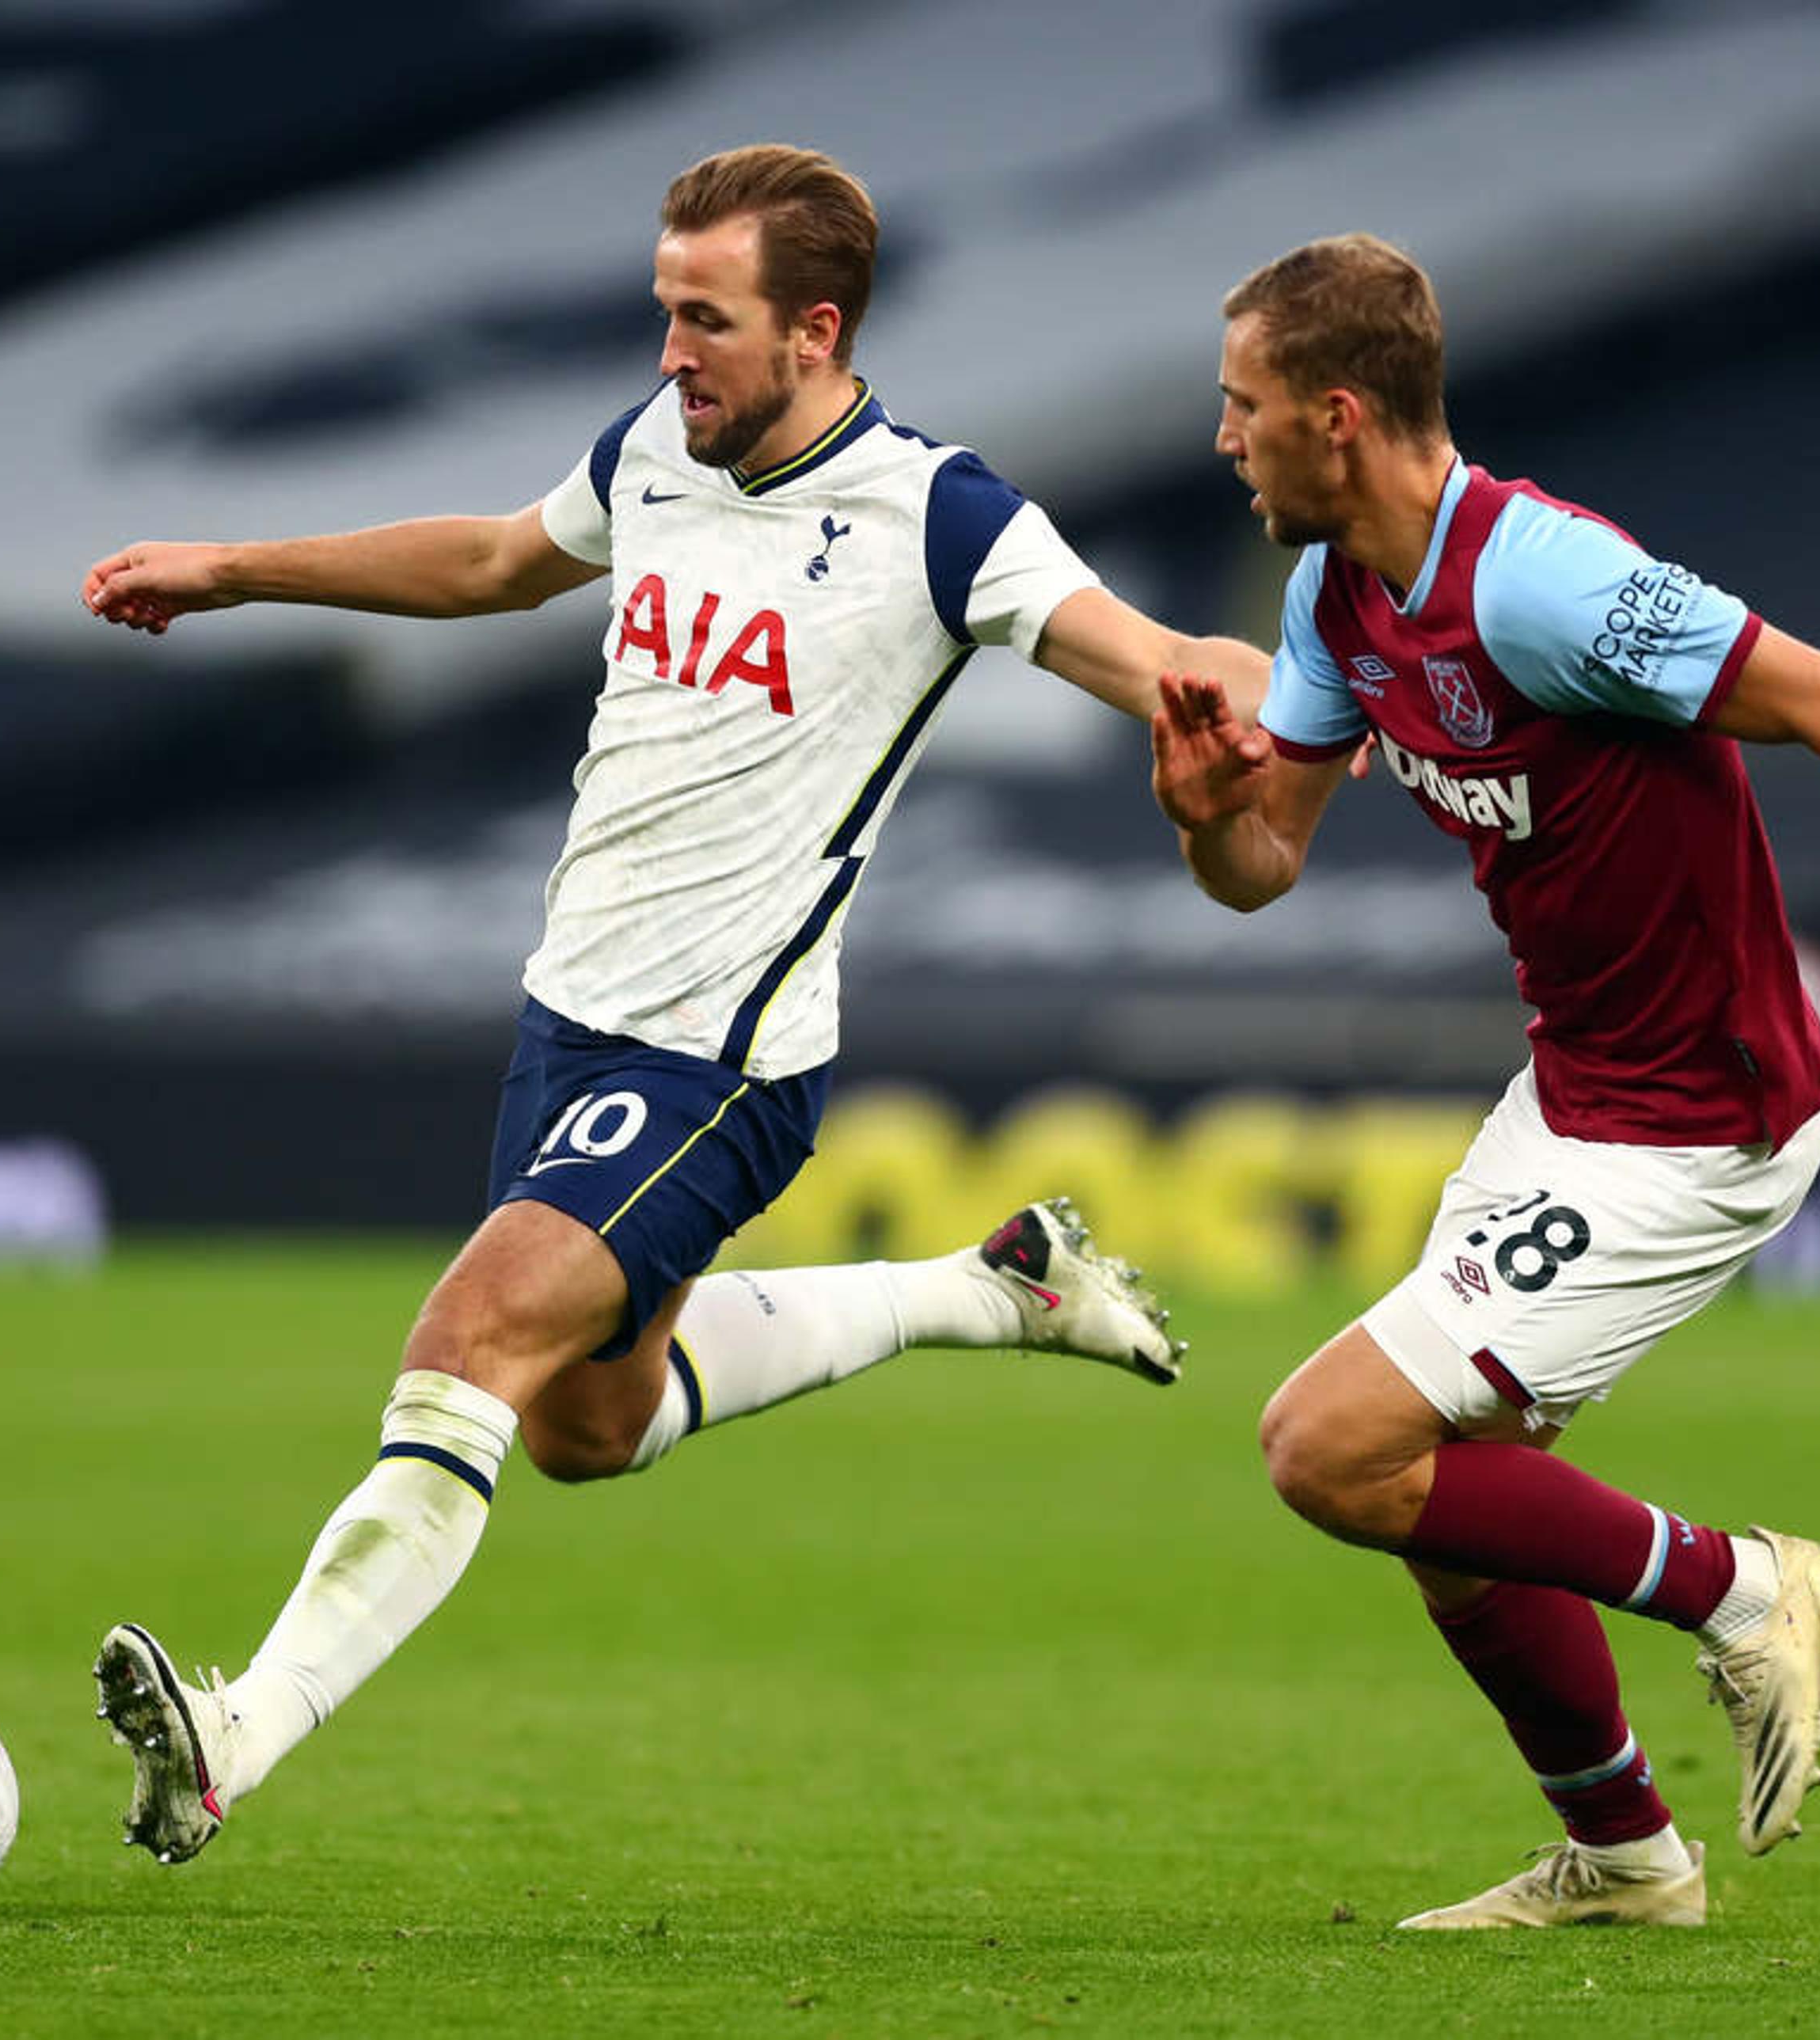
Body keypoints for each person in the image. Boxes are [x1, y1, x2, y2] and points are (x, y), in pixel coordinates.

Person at [75, 145, 1269, 1864]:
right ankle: (983, 1286)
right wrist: (238, 567)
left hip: (725, 1060)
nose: (670, 354)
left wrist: (1275, 711)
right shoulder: (661, 451)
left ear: (816, 329)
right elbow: (496, 558)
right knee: (579, 1423)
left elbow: (1157, 655)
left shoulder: (941, 515)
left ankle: (235, 1733)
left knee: (467, 1338)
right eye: (663, 313)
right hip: (571, 1021)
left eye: (704, 320)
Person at [1149, 234, 1820, 1928]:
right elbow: (1269, 863)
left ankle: (1745, 1586)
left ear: (1336, 417)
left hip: (1704, 1118)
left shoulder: (1542, 582)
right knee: (1448, 1497)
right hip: (1575, 1091)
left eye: (1240, 404)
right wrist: (1206, 818)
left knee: (1327, 1444)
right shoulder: (1336, 595)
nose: (1222, 436)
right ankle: (1629, 1857)